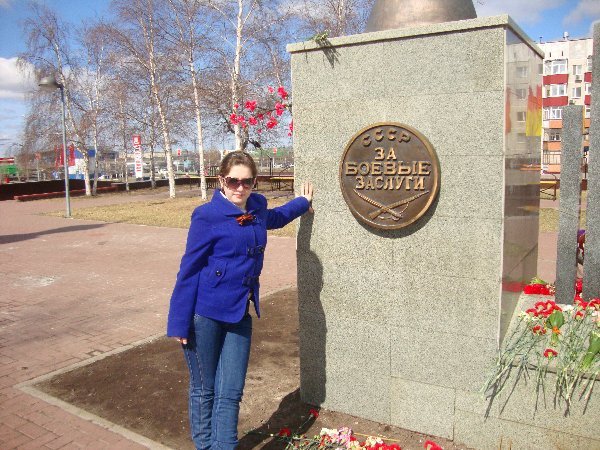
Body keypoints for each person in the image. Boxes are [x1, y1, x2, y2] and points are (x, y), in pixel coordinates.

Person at [167, 151, 313, 450]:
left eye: (247, 182)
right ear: (221, 180)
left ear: (254, 182)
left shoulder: (257, 207)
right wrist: (179, 322)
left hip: (239, 314)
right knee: (205, 389)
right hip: (204, 315)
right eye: (233, 181)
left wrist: (302, 203)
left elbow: (276, 218)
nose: (240, 188)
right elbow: (189, 269)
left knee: (231, 392)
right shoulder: (206, 216)